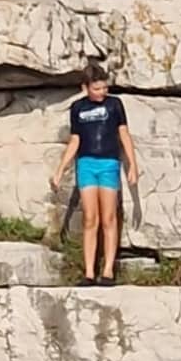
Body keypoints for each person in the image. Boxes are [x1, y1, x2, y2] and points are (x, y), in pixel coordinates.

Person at [51, 62, 139, 286]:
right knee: (90, 218)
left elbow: (124, 134)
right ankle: (89, 272)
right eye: (97, 88)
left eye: (104, 88)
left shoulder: (114, 104)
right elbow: (75, 140)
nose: (102, 92)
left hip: (109, 163)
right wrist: (60, 169)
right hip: (86, 164)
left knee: (109, 218)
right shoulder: (78, 108)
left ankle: (107, 270)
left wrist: (132, 164)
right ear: (85, 87)